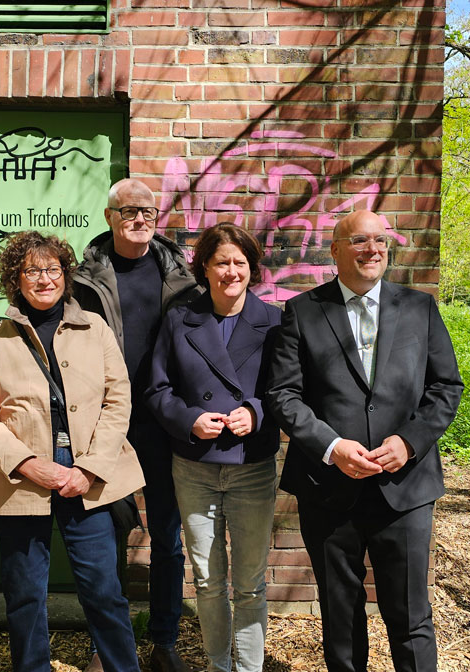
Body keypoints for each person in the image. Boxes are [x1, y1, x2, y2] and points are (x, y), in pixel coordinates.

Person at [266, 210, 464, 672]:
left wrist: (410, 442)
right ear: (334, 250)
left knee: (410, 614)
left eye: (380, 240)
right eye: (358, 240)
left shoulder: (419, 308)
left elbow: (446, 387)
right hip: (330, 487)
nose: (372, 249)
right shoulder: (302, 311)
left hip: (407, 488)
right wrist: (332, 447)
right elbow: (283, 394)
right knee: (340, 614)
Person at [0, 231, 145, 672]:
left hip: (88, 475)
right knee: (25, 593)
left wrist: (89, 468)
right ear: (16, 279)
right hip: (22, 480)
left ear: (65, 275)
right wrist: (27, 464)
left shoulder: (96, 329)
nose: (44, 279)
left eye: (52, 269)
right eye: (32, 270)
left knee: (103, 589)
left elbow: (118, 402)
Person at [73, 178, 200, 672]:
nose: (139, 218)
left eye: (146, 210)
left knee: (167, 537)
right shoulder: (85, 279)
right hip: (107, 423)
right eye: (127, 211)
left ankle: (164, 641)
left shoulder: (181, 277)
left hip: (165, 422)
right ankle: (107, 644)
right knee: (105, 538)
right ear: (109, 217)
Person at [145, 224, 283, 672]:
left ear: (252, 268)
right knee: (206, 581)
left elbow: (290, 391)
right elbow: (158, 390)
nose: (230, 271)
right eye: (221, 262)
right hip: (195, 466)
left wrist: (257, 413)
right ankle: (218, 666)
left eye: (239, 263)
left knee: (249, 584)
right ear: (204, 266)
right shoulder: (179, 318)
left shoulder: (275, 322)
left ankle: (248, 669)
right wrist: (189, 419)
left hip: (251, 465)